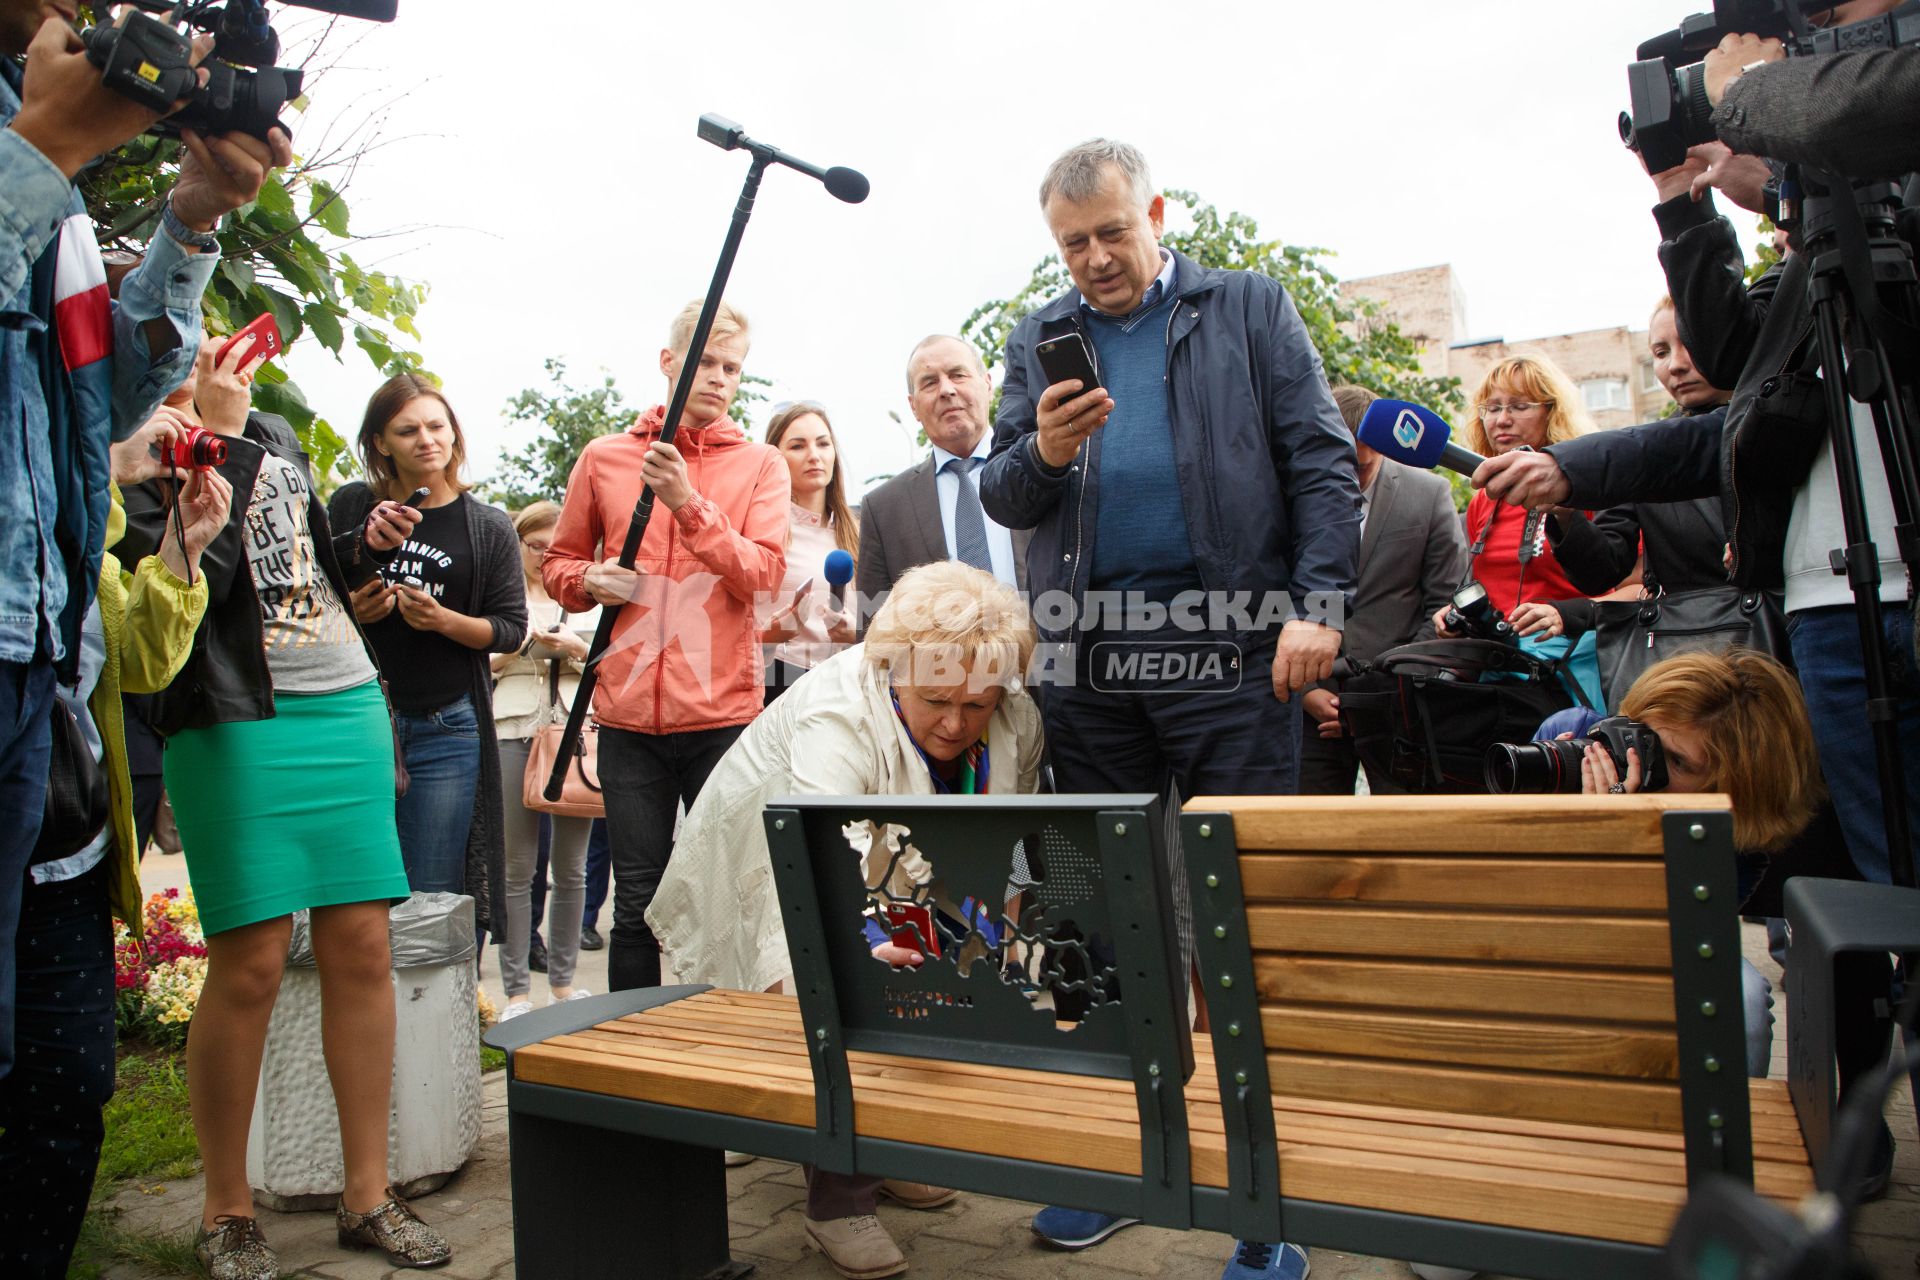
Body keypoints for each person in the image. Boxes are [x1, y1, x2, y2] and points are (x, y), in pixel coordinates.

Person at [977, 136, 1357, 1280]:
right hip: (1091, 662)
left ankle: (1262, 1194)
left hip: (1237, 650)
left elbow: (1320, 461)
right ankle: (1117, 1169)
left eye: (1110, 233)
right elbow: (1002, 485)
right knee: (1098, 919)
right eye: (1071, 243)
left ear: (1155, 211)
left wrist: (1319, 605)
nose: (1093, 259)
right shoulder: (1039, 339)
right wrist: (1040, 448)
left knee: (1239, 918)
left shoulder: (1246, 307)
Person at [1475, 0, 1920, 894]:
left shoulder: (1880, 138)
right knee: (1882, 891)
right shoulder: (1812, 252)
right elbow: (1736, 376)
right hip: (1830, 605)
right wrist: (1683, 201)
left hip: (1892, 575)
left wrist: (1758, 103)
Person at [118, 343, 453, 1276]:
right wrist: (213, 436)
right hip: (233, 715)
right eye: (164, 345)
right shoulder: (129, 451)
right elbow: (193, 589)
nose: (190, 359)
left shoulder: (268, 429)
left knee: (362, 946)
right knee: (253, 956)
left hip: (342, 698)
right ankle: (227, 1211)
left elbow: (297, 565)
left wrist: (361, 550)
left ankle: (367, 1196)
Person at [0, 1, 289, 1083]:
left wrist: (195, 220)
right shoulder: (36, 142)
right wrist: (45, 148)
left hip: (52, 672)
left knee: (63, 1079)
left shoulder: (47, 164)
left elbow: (104, 397)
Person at [650, 560, 1043, 1280]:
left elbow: (1007, 837)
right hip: (781, 853)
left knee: (940, 974)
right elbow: (833, 884)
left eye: (978, 704)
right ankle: (838, 1199)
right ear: (894, 668)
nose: (957, 724)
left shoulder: (1017, 718)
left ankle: (890, 1151)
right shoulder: (838, 715)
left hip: (910, 855)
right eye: (935, 700)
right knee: (845, 988)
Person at [0, 414, 225, 1278]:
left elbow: (135, 660)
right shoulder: (54, 495)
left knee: (67, 1094)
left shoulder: (87, 539)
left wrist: (182, 549)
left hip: (70, 856)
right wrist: (100, 467)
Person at [543, 299, 789, 993]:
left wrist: (688, 504)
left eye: (732, 368)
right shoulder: (604, 458)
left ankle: (727, 1047)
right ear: (669, 362)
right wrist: (590, 577)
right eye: (705, 362)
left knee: (731, 899)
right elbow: (559, 567)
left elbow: (763, 574)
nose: (717, 378)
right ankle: (628, 1054)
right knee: (636, 903)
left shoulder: (761, 465)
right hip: (627, 719)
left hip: (722, 717)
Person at [329, 377, 527, 944]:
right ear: (380, 442)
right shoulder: (351, 505)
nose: (426, 440)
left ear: (454, 434)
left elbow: (511, 628)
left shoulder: (485, 524)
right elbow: (311, 600)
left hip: (448, 724)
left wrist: (444, 620)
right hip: (358, 719)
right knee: (355, 887)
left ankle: (427, 1028)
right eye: (407, 429)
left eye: (436, 426)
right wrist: (355, 614)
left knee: (431, 895)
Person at [1298, 385, 1467, 794]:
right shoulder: (1289, 494)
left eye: (1363, 466)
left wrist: (1385, 697)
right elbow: (1265, 597)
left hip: (1399, 706)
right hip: (1311, 708)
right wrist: (1306, 692)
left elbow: (1445, 606)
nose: (1352, 477)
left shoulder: (1429, 494)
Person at [1436, 355, 1610, 708]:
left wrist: (1565, 614)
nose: (1502, 420)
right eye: (1492, 408)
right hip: (1500, 674)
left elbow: (1638, 590)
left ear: (1553, 411)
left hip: (1576, 672)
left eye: (1519, 407)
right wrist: (1456, 616)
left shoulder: (1591, 487)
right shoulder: (1482, 501)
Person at [1544, 300, 1734, 599]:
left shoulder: (1784, 423)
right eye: (1661, 353)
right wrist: (1567, 519)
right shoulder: (1637, 455)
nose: (1676, 364)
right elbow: (1602, 571)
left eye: (1693, 344)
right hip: (1687, 634)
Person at [490, 501, 597, 1019]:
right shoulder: (502, 595)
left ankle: (563, 984)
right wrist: (521, 643)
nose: (545, 556)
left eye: (556, 547)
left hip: (576, 734)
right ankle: (515, 993)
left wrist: (576, 647)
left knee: (572, 869)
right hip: (512, 727)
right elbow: (479, 663)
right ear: (518, 545)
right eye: (535, 546)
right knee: (517, 867)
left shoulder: (589, 596)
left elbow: (613, 663)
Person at [857, 336, 1030, 614]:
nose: (946, 390)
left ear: (987, 384)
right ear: (913, 406)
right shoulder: (884, 509)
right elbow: (873, 628)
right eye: (929, 382)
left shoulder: (1039, 469)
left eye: (958, 375)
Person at [760, 401, 859, 698]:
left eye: (823, 444)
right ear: (775, 457)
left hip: (848, 686)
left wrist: (858, 633)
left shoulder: (861, 532)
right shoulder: (762, 531)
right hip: (778, 684)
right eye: (798, 446)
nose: (814, 456)